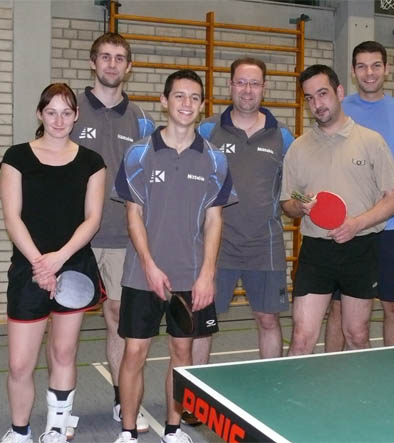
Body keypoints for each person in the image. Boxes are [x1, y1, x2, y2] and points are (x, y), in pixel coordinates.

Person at [112, 70, 236, 443]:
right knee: (134, 353)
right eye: (179, 96)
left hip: (191, 275)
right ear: (164, 101)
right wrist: (149, 265)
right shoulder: (139, 153)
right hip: (142, 275)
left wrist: (207, 274)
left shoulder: (215, 159)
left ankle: (172, 428)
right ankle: (128, 432)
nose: (186, 103)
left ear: (202, 105)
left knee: (182, 353)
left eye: (194, 97)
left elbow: (214, 220)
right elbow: (133, 214)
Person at [0, 83, 106, 443]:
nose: (59, 120)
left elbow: (92, 219)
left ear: (76, 116)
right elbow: (12, 217)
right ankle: (20, 430)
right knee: (19, 363)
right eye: (51, 112)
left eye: (66, 112)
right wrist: (39, 264)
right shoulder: (16, 157)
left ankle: (56, 427)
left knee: (63, 351)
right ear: (39, 114)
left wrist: (58, 259)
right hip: (28, 270)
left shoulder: (92, 162)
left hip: (73, 266)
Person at [281, 65, 394, 355]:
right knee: (301, 338)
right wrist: (299, 204)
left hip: (360, 248)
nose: (317, 103)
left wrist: (357, 224)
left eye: (322, 94)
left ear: (339, 92)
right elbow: (288, 201)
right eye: (309, 98)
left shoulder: (371, 141)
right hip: (315, 251)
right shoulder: (298, 148)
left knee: (357, 335)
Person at [325, 40, 394, 350]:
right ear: (353, 71)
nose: (369, 73)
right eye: (362, 66)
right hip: (348, 228)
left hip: (390, 228)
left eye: (376, 65)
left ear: (386, 69)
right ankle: (329, 372)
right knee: (338, 308)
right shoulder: (341, 110)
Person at [70, 32, 154, 434]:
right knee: (66, 325)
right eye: (105, 56)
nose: (111, 64)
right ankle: (61, 409)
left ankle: (123, 401)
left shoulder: (140, 119)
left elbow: (149, 178)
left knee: (119, 319)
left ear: (129, 66)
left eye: (119, 58)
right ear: (93, 62)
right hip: (74, 240)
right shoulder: (70, 110)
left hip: (122, 237)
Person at [192, 57, 294, 365]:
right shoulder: (208, 129)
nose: (247, 90)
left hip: (265, 245)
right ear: (230, 85)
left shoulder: (282, 136)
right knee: (203, 322)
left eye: (254, 84)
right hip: (215, 245)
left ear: (264, 88)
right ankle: (195, 391)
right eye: (241, 83)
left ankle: (272, 386)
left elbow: (295, 187)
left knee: (268, 319)